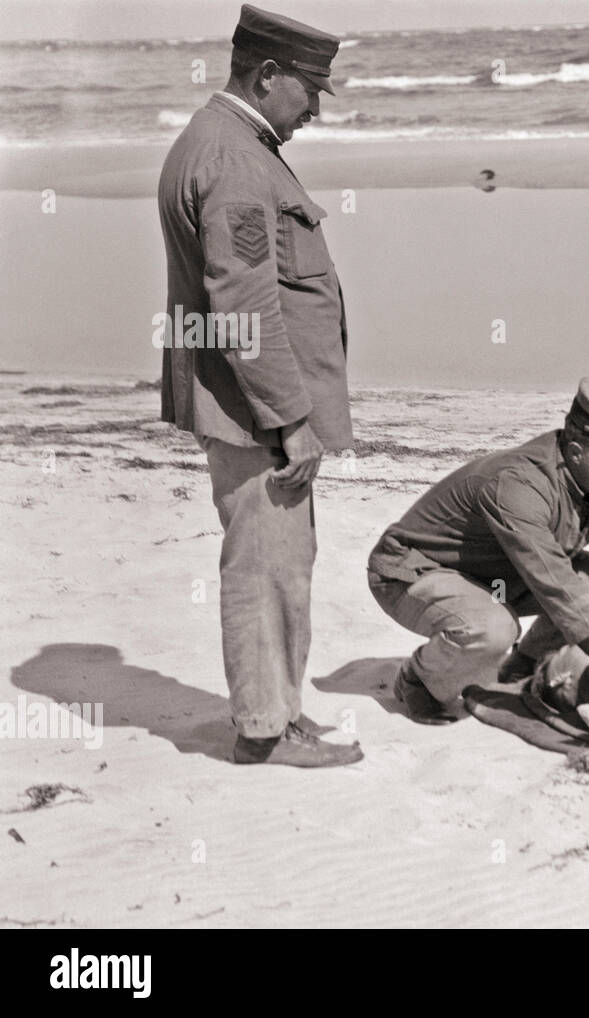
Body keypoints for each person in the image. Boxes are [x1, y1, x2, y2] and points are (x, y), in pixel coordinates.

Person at [157, 4, 360, 766]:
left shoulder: (228, 140)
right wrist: (292, 418)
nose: (314, 108)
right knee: (268, 568)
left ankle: (274, 713)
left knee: (277, 562)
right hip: (254, 411)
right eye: (309, 90)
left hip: (246, 403)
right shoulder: (238, 160)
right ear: (266, 74)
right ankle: (266, 730)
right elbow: (242, 304)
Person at [367, 378, 589, 724]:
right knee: (494, 628)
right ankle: (417, 678)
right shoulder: (519, 485)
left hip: (494, 577)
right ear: (575, 452)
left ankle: (522, 665)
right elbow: (557, 584)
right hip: (414, 573)